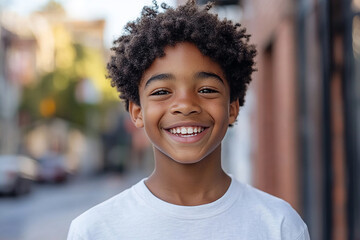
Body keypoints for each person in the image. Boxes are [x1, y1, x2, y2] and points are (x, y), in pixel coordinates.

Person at [67, 1, 310, 239]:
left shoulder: (279, 225)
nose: (185, 105)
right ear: (137, 112)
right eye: (162, 92)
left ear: (232, 108)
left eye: (206, 90)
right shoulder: (94, 230)